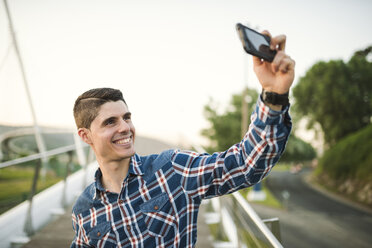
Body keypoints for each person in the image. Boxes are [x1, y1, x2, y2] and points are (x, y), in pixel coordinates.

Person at [70, 30, 295, 248]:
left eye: (126, 118)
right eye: (110, 122)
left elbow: (245, 164)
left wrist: (273, 95)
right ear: (85, 135)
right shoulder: (83, 209)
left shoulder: (172, 169)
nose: (125, 128)